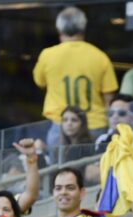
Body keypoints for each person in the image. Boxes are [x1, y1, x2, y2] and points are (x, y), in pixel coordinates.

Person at [34, 6, 118, 139]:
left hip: (60, 125)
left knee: (58, 160)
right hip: (94, 126)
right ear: (83, 28)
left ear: (60, 29)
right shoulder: (100, 57)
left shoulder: (47, 55)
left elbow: (40, 82)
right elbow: (109, 100)